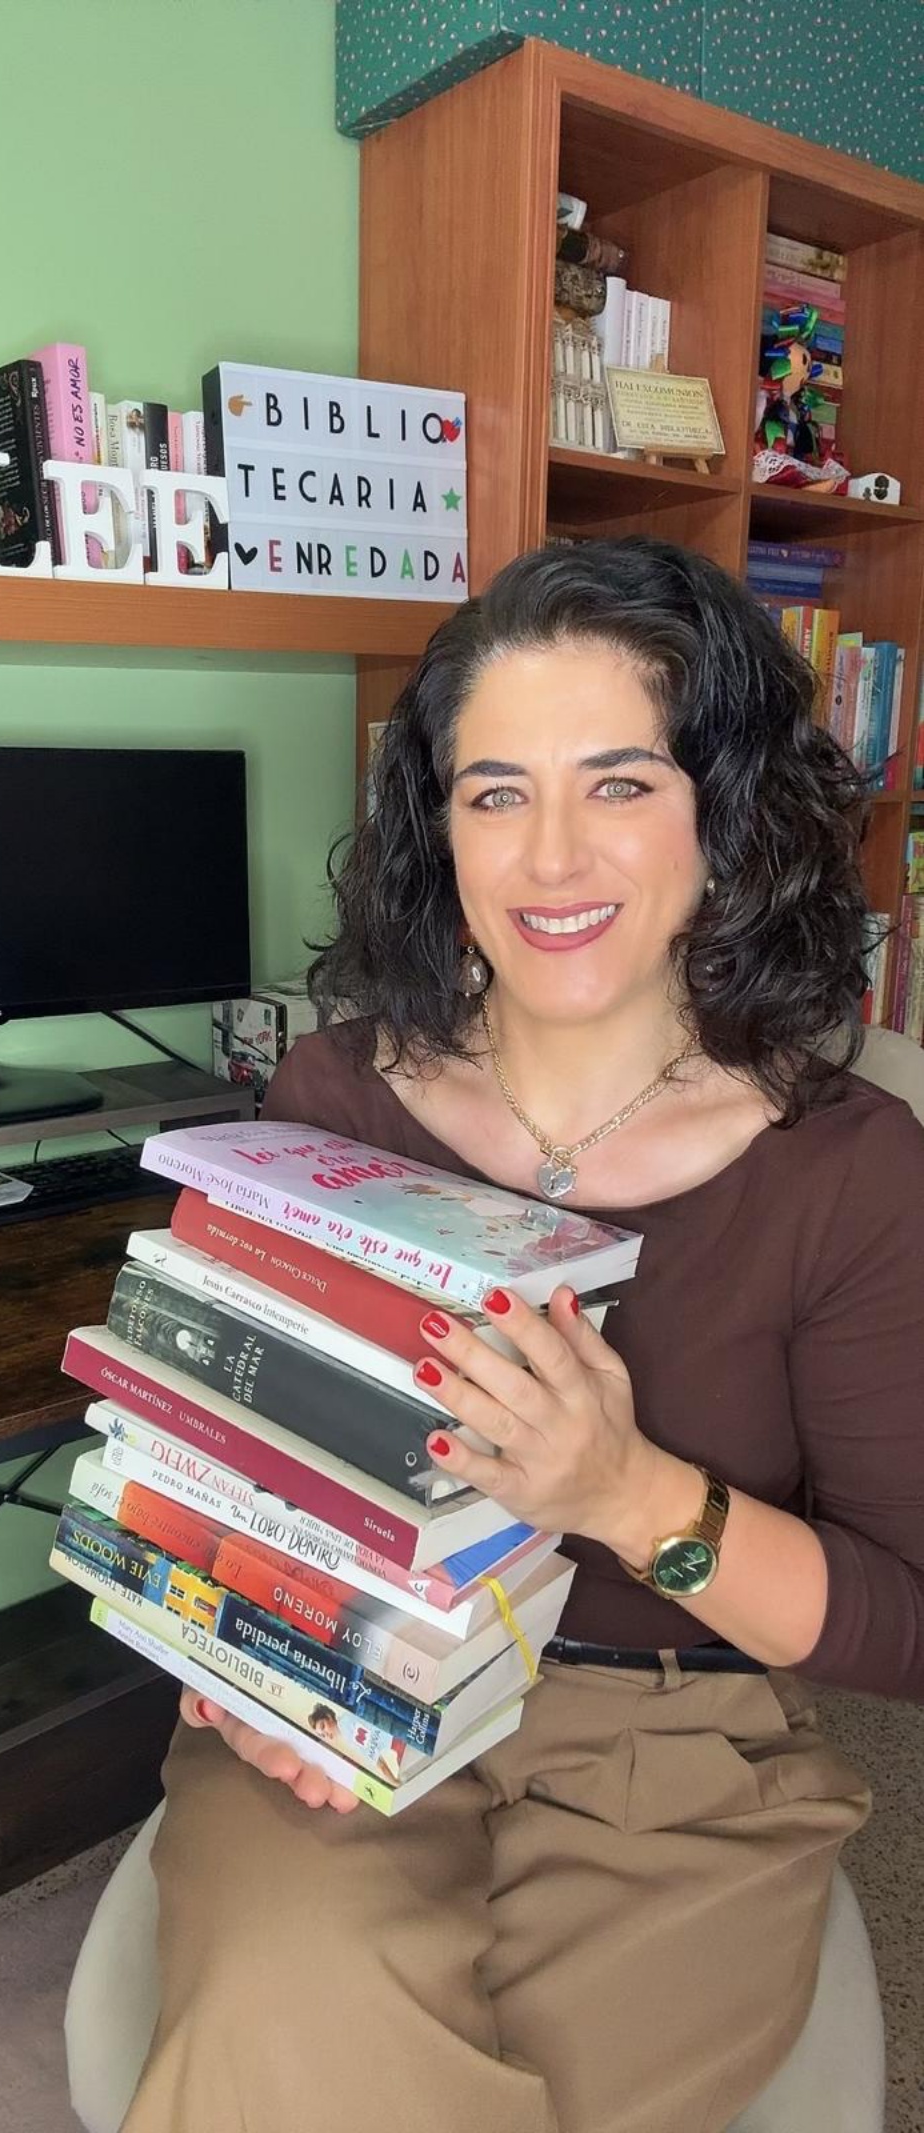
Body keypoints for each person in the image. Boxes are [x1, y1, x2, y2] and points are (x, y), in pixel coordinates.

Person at [120, 537, 924, 2133]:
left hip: (673, 1750)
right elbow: (246, 1466)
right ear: (442, 830)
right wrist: (244, 1653)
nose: (551, 858)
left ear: (724, 814)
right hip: (355, 1681)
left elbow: (908, 1620)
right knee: (293, 2024)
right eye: (496, 793)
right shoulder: (334, 1098)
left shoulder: (847, 1172)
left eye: (620, 782)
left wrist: (629, 1493)